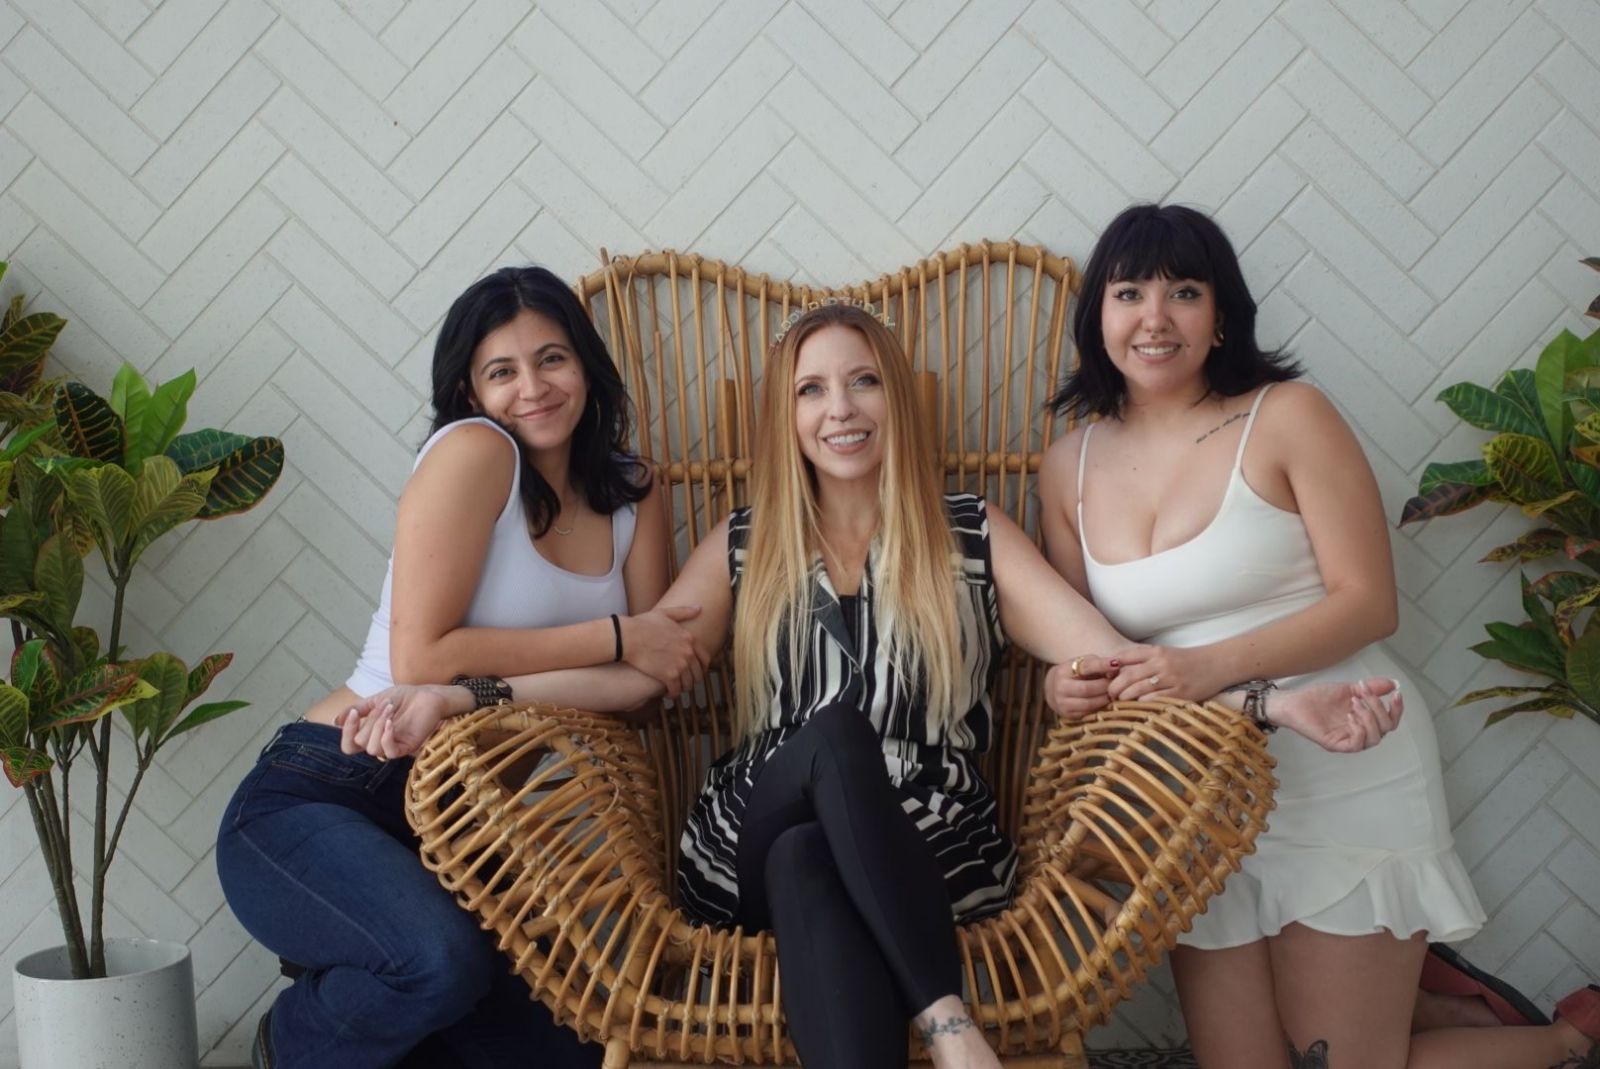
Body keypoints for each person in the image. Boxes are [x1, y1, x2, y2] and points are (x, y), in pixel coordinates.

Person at [344, 301, 1406, 1069]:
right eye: (810, 389)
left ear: (892, 398)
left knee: (819, 859)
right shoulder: (747, 543)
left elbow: (1105, 660)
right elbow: (634, 669)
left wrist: (1267, 701)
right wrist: (467, 697)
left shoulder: (972, 536)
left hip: (932, 847)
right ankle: (949, 1023)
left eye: (859, 381)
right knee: (831, 748)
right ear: (786, 417)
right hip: (746, 834)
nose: (837, 408)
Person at [1037, 203, 1599, 1069]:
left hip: (1345, 754)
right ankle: (1436, 1013)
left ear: (1222, 314)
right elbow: (1090, 650)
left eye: (1185, 291)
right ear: (1097, 317)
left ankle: (1568, 1036)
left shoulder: (1289, 415)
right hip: (1201, 799)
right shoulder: (1066, 465)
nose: (1155, 317)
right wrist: (1059, 685)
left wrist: (1201, 666)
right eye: (1129, 292)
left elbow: (1370, 601)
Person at [215, 265, 707, 1069]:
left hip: (476, 827)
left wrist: (480, 691)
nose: (533, 388)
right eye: (501, 371)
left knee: (569, 1049)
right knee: (439, 963)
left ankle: (364, 975)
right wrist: (617, 634)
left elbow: (646, 688)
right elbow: (420, 658)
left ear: (586, 365)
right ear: (472, 391)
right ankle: (292, 1038)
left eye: (552, 358)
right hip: (335, 786)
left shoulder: (632, 490)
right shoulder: (476, 453)